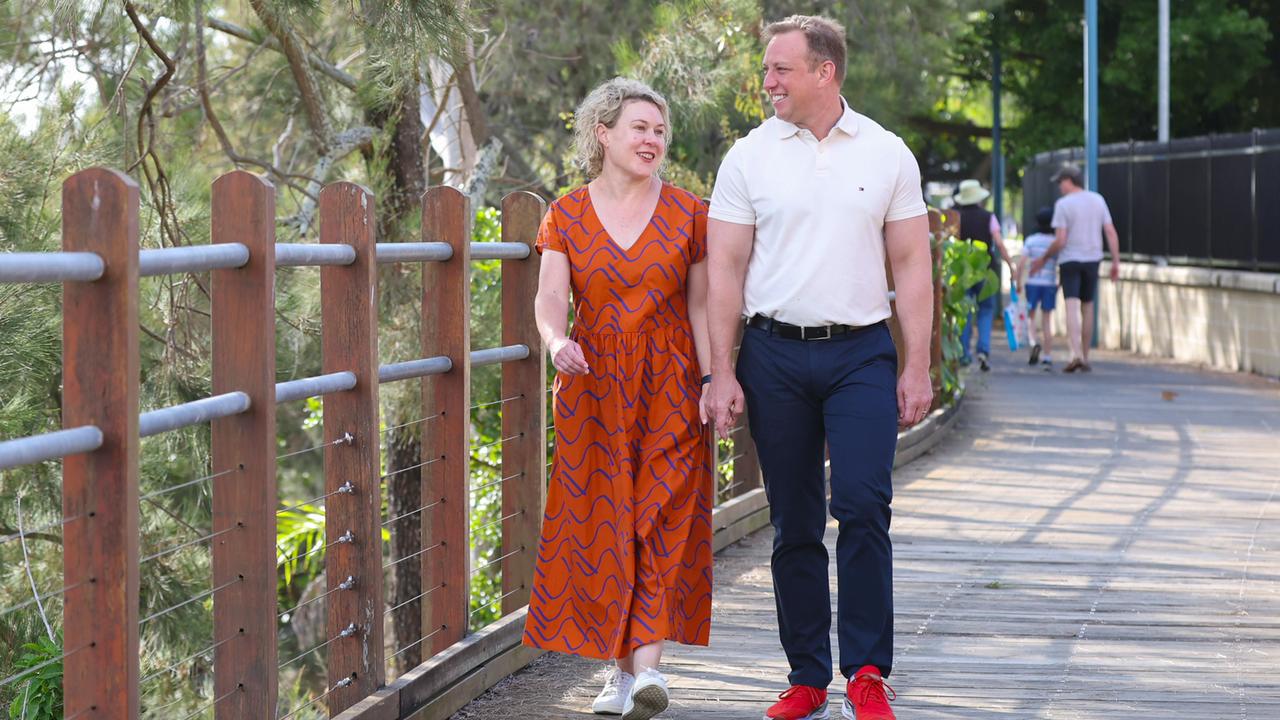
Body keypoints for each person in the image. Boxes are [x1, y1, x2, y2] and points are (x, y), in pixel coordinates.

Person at [705, 15, 933, 720]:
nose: (767, 81)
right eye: (767, 69)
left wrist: (916, 364)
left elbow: (912, 264)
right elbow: (726, 269)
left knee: (863, 504)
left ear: (824, 72)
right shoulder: (748, 156)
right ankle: (806, 675)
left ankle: (866, 671)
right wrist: (723, 369)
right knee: (795, 520)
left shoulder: (887, 152)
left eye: (780, 69)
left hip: (861, 350)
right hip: (772, 353)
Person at [523, 77, 714, 720]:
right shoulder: (567, 214)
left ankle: (649, 670)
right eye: (640, 128)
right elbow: (551, 298)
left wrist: (714, 379)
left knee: (658, 515)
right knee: (602, 524)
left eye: (660, 131)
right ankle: (617, 673)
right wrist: (555, 342)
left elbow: (701, 304)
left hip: (669, 382)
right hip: (593, 385)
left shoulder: (691, 212)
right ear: (603, 134)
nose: (653, 140)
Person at [1030, 164, 1121, 373]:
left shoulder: (1063, 204)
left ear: (1070, 181)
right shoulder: (1098, 200)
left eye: (1060, 182)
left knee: (1071, 306)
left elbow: (1060, 240)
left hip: (1070, 259)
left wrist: (1043, 258)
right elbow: (1110, 230)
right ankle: (1086, 356)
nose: (1060, 187)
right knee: (1088, 306)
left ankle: (1075, 353)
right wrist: (1116, 261)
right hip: (1093, 258)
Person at [953, 179, 1015, 372]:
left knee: (964, 312)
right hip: (986, 270)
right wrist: (1011, 266)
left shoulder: (956, 217)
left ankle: (963, 354)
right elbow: (999, 243)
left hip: (963, 272)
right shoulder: (989, 217)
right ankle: (983, 351)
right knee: (986, 310)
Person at [1019, 206, 1058, 371]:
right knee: (1047, 320)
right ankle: (1048, 357)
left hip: (1033, 283)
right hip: (1049, 283)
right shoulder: (1054, 243)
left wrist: (1017, 281)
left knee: (1031, 316)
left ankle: (1034, 342)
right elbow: (1059, 263)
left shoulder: (1031, 240)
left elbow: (1021, 263)